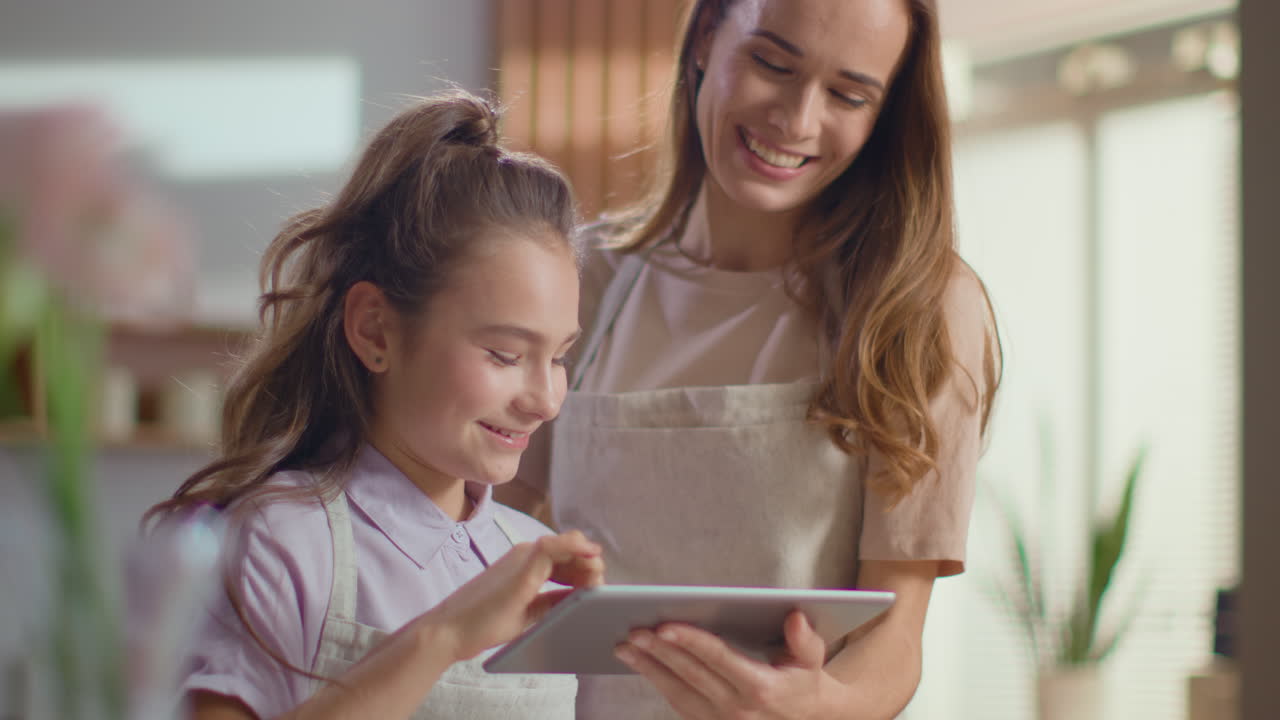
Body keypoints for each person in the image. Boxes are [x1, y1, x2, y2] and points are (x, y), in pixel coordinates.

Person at [498, 0, 1002, 717]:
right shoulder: (585, 279)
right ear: (706, 37)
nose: (796, 120)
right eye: (772, 63)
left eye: (848, 95)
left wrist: (816, 705)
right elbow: (480, 551)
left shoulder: (918, 310)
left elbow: (895, 643)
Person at [144, 89, 604, 720]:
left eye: (557, 357)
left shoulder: (532, 558)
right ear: (375, 330)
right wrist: (441, 638)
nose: (545, 400)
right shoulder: (279, 543)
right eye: (503, 354)